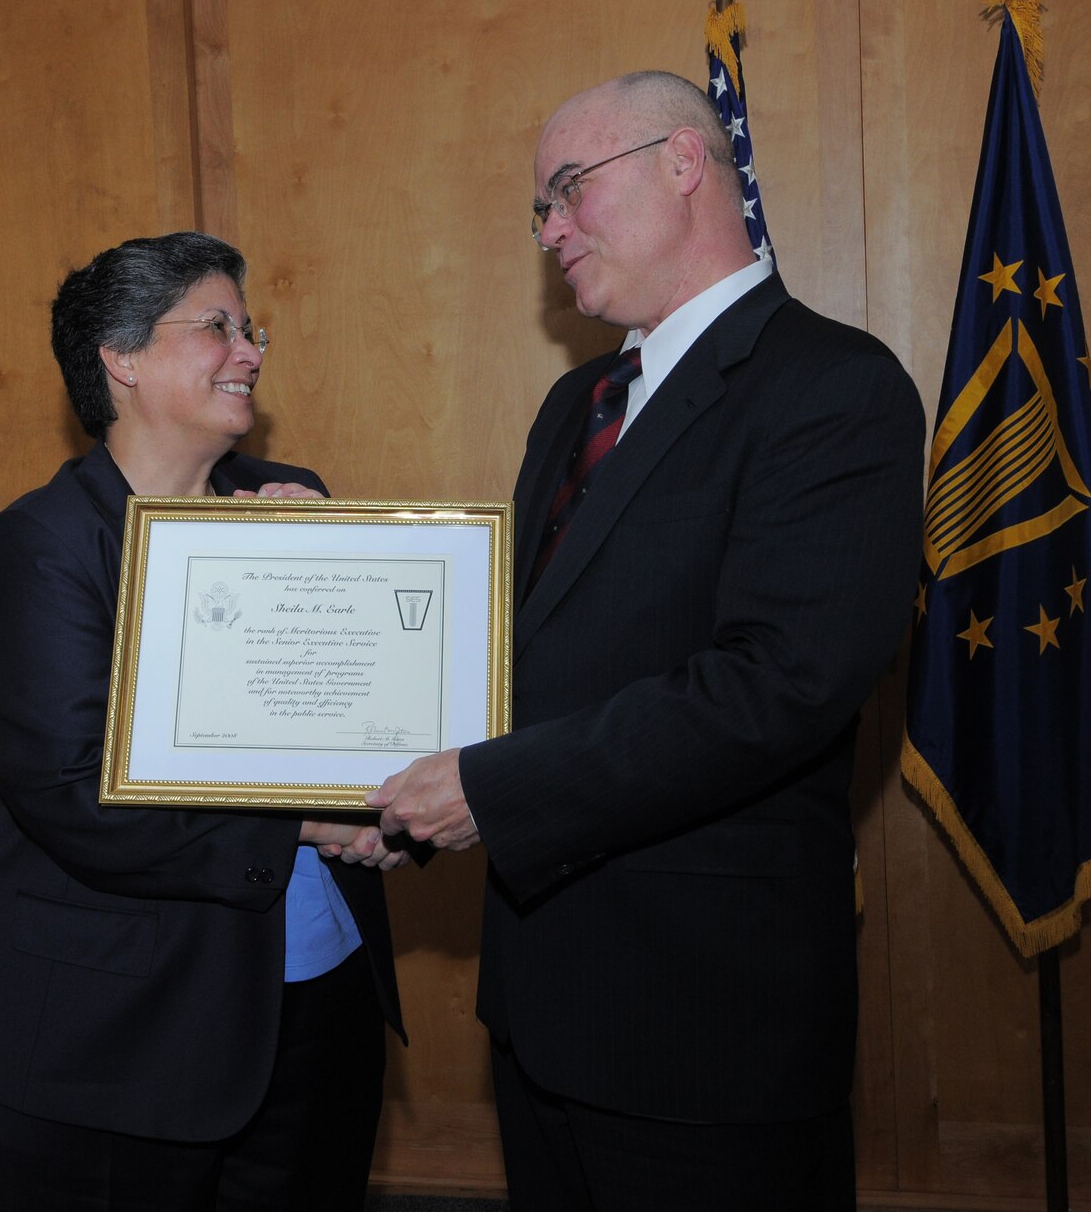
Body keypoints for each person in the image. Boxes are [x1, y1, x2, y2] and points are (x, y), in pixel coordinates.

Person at [368, 72, 924, 1208]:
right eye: (539, 210)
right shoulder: (575, 405)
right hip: (538, 1011)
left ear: (683, 163)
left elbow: (774, 686)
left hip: (705, 1030)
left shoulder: (832, 387)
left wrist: (485, 790)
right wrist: (402, 804)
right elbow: (519, 669)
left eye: (568, 190)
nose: (550, 231)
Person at [0, 231, 405, 1212]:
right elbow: (75, 790)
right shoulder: (46, 542)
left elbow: (360, 720)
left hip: (314, 999)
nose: (251, 350)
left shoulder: (286, 505)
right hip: (105, 1032)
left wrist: (333, 584)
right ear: (121, 359)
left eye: (249, 326)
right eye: (216, 326)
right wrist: (311, 818)